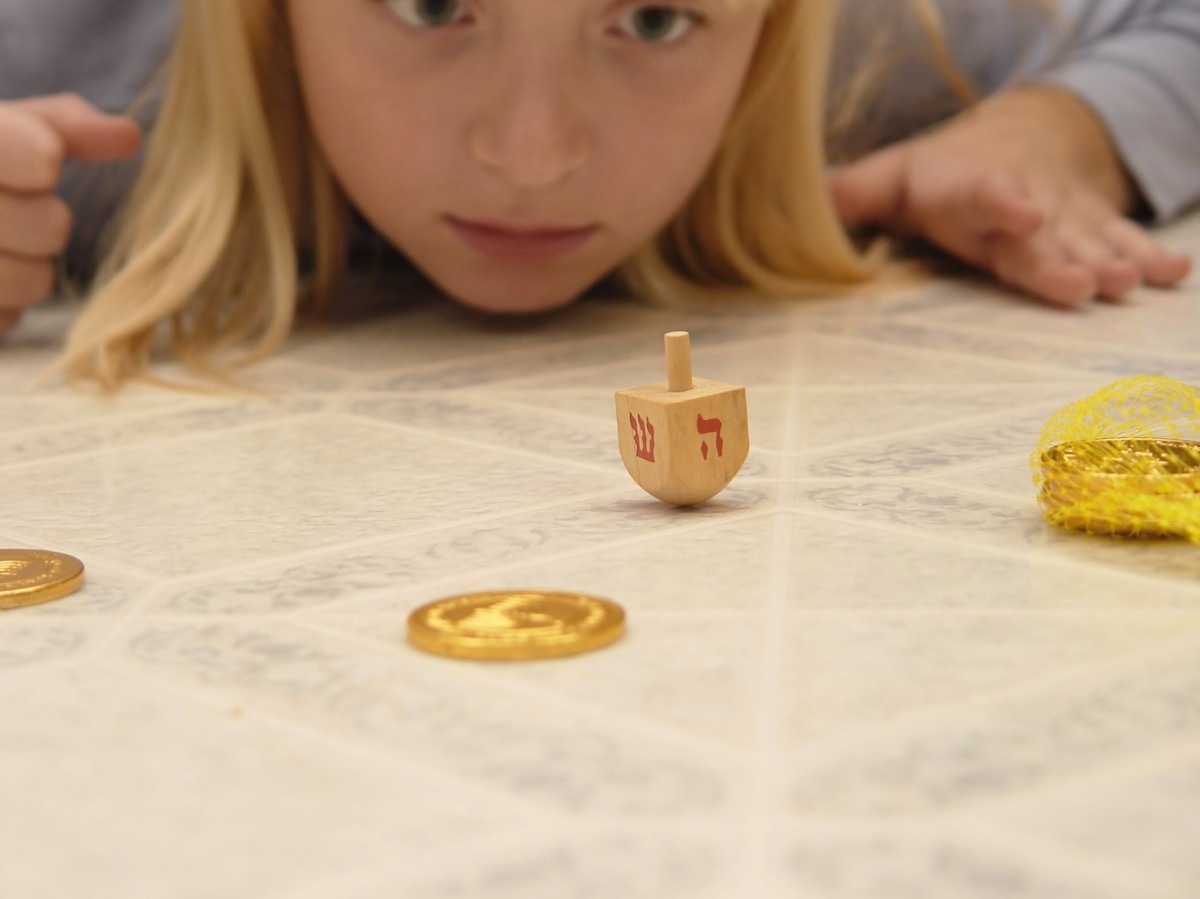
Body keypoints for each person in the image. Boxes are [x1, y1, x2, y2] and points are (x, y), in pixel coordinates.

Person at [0, 0, 1196, 388]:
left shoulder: (868, 55)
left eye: (655, 18)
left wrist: (1062, 127)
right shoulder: (77, 64)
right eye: (428, 4)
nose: (534, 153)